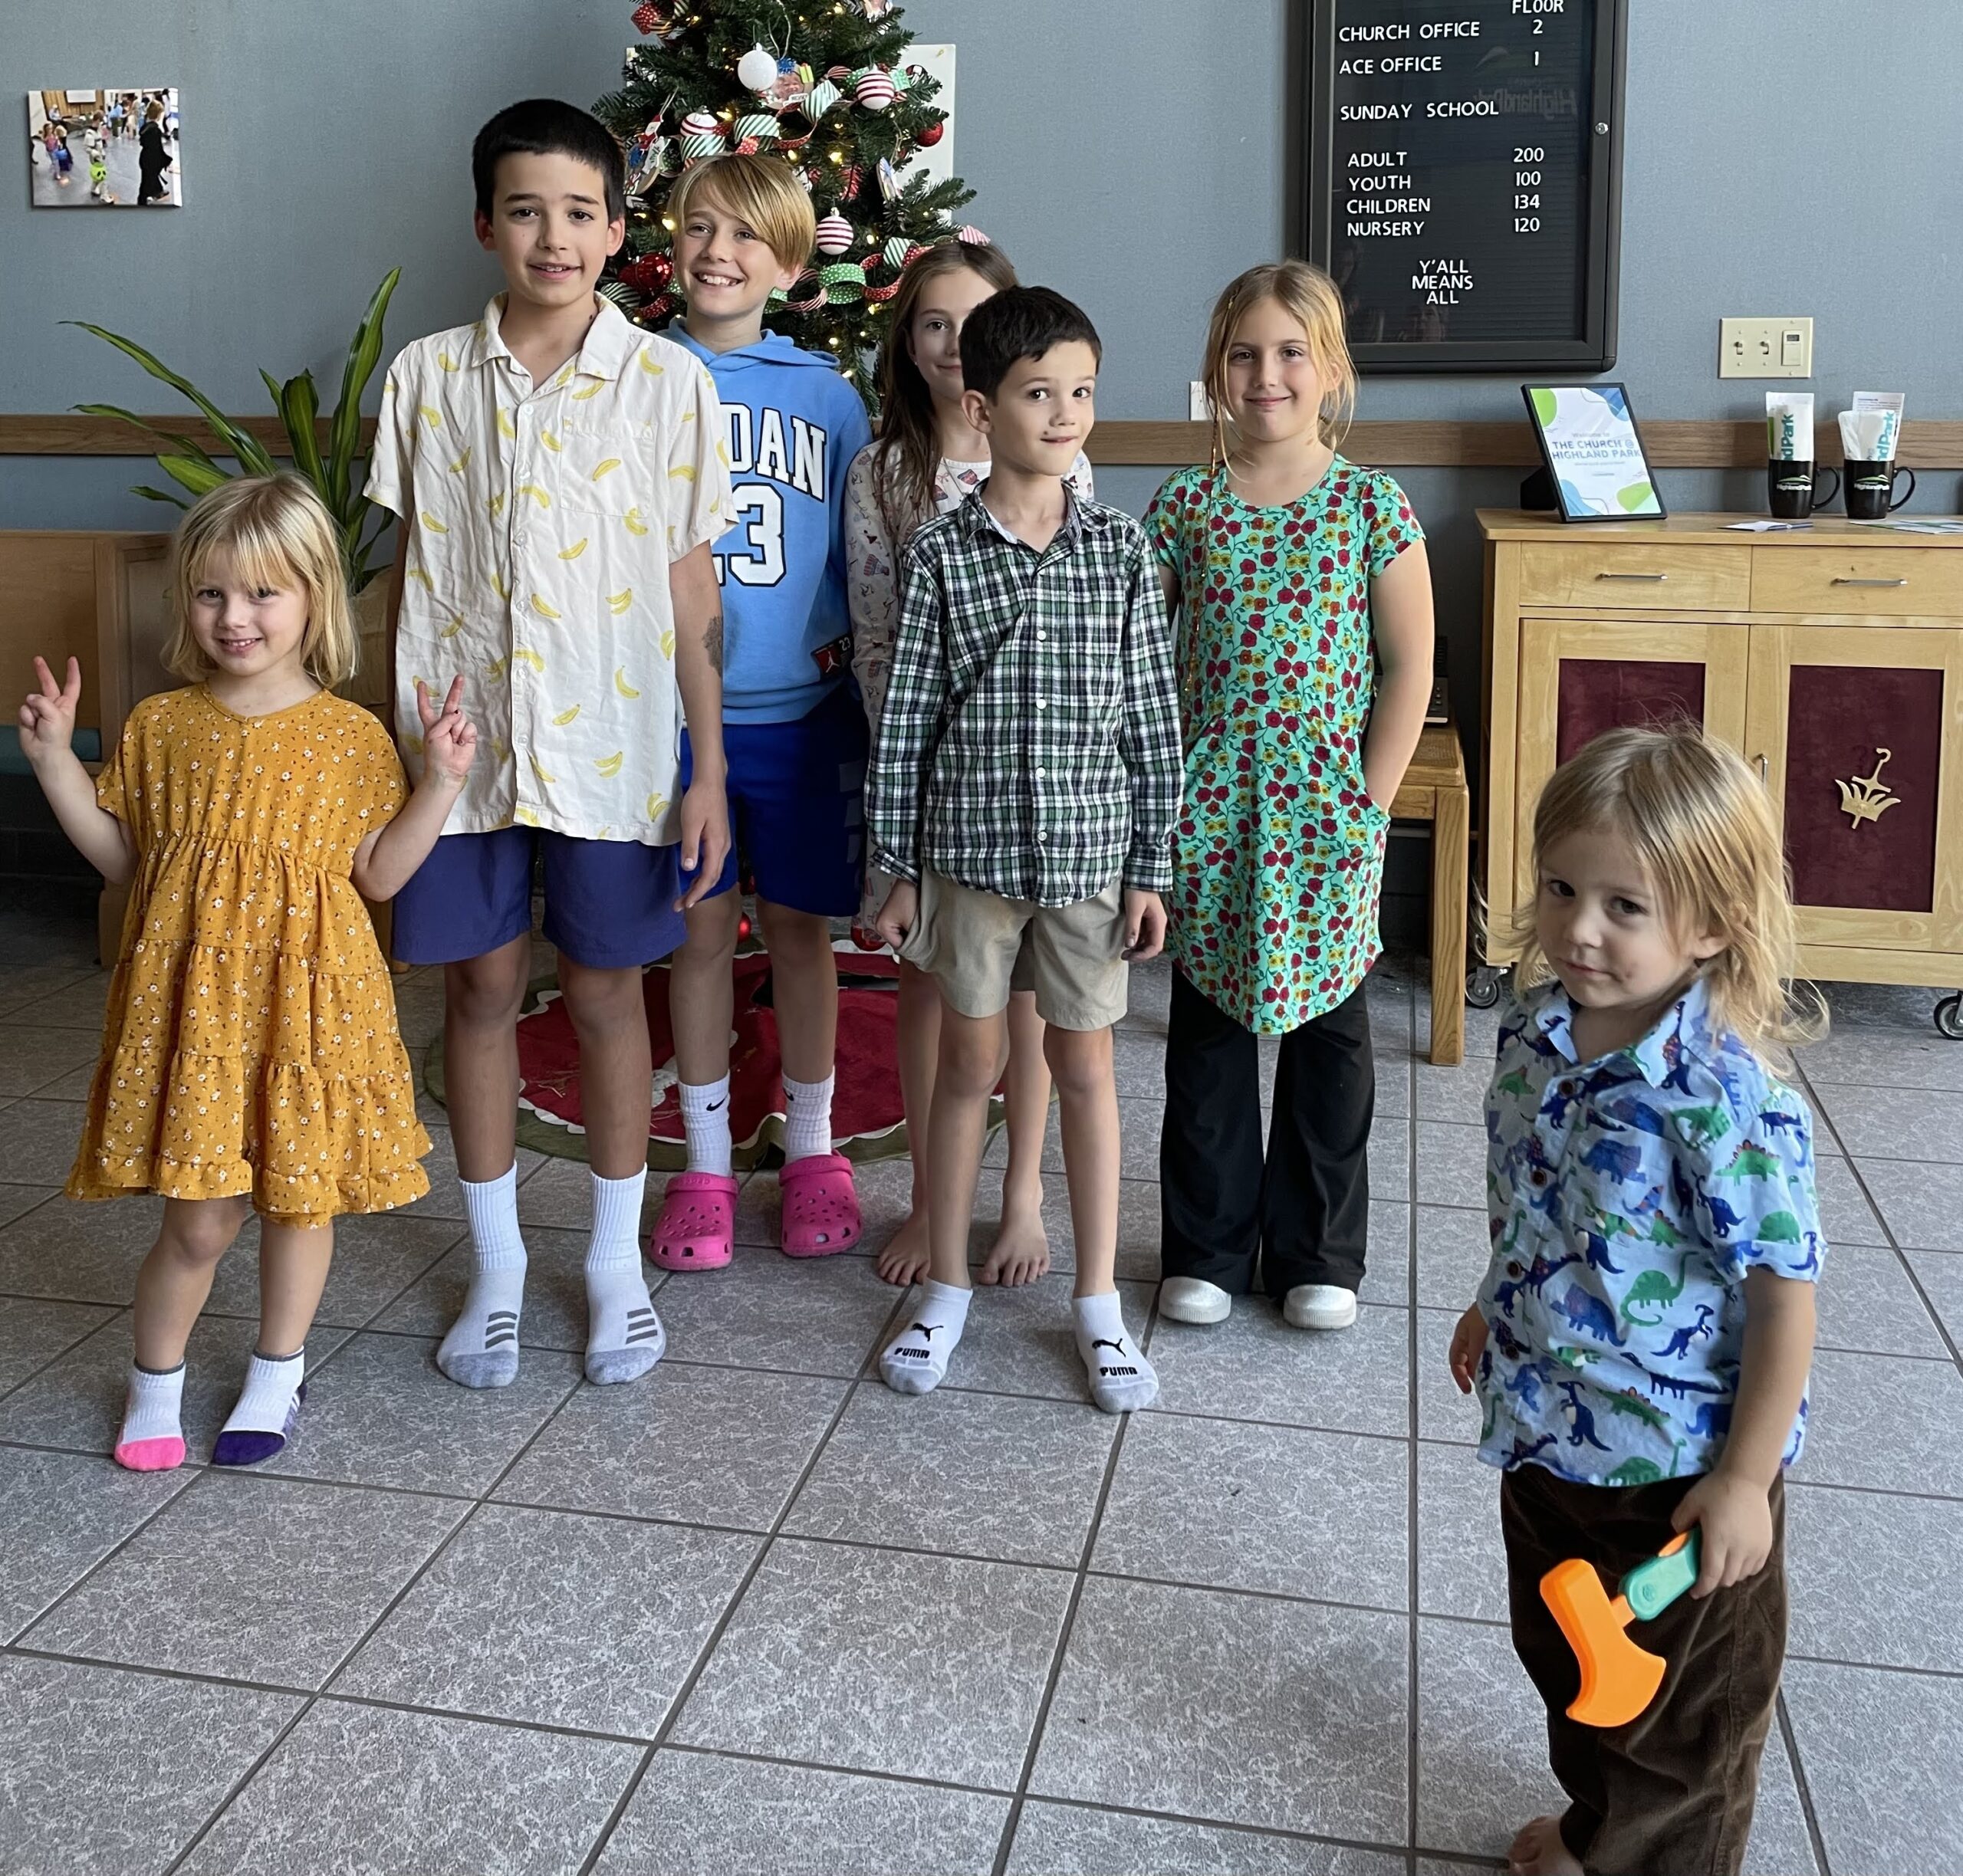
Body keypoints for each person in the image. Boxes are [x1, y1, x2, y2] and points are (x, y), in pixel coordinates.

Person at [365, 97, 735, 1391]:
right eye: (526, 209)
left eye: (580, 212)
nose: (553, 235)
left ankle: (615, 1262)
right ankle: (499, 1262)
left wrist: (710, 773)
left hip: (615, 750)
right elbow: (407, 576)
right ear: (485, 224)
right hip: (458, 758)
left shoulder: (669, 386)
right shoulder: (423, 380)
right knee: (476, 990)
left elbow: (695, 599)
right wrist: (392, 758)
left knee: (603, 993)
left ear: (619, 230)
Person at [18, 475, 471, 1471]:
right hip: (199, 1015)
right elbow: (133, 865)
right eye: (212, 592)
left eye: (263, 592)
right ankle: (156, 1380)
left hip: (312, 1008)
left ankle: (277, 1367)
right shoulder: (160, 724)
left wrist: (439, 781)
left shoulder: (352, 736)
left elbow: (380, 872)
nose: (235, 616)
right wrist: (56, 762)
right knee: (200, 1216)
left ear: (315, 598)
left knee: (299, 1199)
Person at [1447, 724, 1824, 1876]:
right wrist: (1489, 1299)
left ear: (1711, 921)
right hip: (1549, 1442)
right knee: (1582, 1672)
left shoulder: (1724, 1094)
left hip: (1678, 1474)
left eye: (1625, 905)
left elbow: (1782, 1293)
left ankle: (1650, 1853)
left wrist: (1746, 1480)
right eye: (1563, 886)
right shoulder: (1535, 1030)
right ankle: (1601, 1826)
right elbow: (1536, 1201)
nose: (1577, 927)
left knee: (1686, 1735)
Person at [867, 286, 1181, 1413]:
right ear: (982, 402)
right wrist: (893, 867)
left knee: (1087, 1069)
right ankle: (945, 1284)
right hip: (969, 861)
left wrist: (1153, 863)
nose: (1064, 413)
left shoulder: (1122, 551)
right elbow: (906, 720)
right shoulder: (947, 556)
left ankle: (1095, 1303)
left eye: (1082, 391)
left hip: (1092, 865)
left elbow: (1153, 715)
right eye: (1039, 392)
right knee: (967, 1068)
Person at [1148, 261, 1432, 1332]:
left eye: (1288, 352)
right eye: (1242, 353)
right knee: (1209, 1037)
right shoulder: (1186, 505)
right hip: (1214, 812)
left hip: (1326, 816)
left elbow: (1408, 663)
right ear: (1218, 371)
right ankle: (1209, 1246)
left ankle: (1320, 1250)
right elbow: (1140, 648)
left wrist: (1371, 799)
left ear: (1329, 369)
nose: (1265, 374)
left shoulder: (1372, 506)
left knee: (1332, 1040)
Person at [845, 238, 1090, 1290]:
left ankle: (1023, 1190)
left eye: (972, 321)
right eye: (932, 324)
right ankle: (928, 1194)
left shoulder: (1061, 457)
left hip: (1037, 791)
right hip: (932, 789)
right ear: (911, 341)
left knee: (1032, 1002)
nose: (952, 344)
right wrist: (915, 791)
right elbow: (873, 637)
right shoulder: (885, 470)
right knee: (931, 994)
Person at [650, 152, 874, 1270]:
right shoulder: (634, 376)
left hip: (803, 712)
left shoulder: (829, 397)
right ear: (670, 243)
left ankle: (816, 1143)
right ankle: (699, 1161)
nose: (717, 251)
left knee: (798, 932)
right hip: (672, 717)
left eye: (746, 235)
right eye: (699, 226)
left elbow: (863, 552)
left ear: (789, 264)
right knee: (695, 932)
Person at [136, 100, 169, 205]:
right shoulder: (156, 131)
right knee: (148, 180)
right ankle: (143, 201)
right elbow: (157, 149)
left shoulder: (145, 128)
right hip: (151, 160)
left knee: (147, 179)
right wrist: (166, 160)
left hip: (144, 158)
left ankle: (152, 195)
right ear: (158, 114)